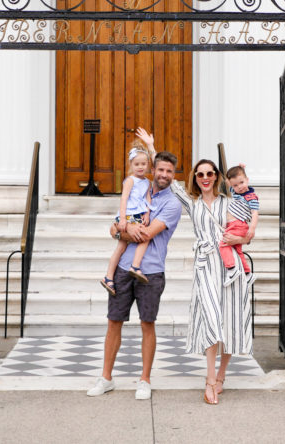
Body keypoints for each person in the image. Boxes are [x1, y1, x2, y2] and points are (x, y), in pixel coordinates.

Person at [136, 129, 252, 406]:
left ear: (217, 176)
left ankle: (221, 375)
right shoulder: (192, 201)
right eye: (200, 175)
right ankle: (210, 379)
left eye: (209, 174)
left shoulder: (230, 202)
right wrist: (152, 148)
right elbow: (168, 179)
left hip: (230, 265)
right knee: (211, 318)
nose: (205, 179)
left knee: (230, 319)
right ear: (195, 179)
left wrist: (240, 237)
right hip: (205, 266)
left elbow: (249, 229)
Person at [87, 146, 182, 400]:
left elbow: (147, 234)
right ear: (153, 170)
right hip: (122, 270)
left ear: (173, 175)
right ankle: (106, 377)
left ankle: (145, 379)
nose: (164, 174)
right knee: (113, 322)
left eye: (169, 171)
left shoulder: (172, 204)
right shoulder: (139, 189)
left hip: (150, 272)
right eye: (160, 169)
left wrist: (124, 229)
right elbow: (113, 228)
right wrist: (122, 227)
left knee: (147, 324)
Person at [100, 140, 152, 296]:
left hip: (139, 215)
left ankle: (113, 276)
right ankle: (128, 269)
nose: (141, 167)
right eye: (137, 164)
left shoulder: (147, 182)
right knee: (139, 239)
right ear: (131, 165)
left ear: (148, 164)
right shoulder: (130, 180)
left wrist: (147, 212)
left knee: (130, 243)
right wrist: (122, 219)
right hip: (128, 216)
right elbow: (124, 199)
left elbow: (148, 198)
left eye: (143, 164)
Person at [219, 165, 258, 286]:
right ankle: (247, 273)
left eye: (241, 182)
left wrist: (252, 228)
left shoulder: (251, 197)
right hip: (233, 225)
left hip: (239, 225)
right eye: (235, 185)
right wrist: (239, 167)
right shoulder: (235, 192)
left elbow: (255, 213)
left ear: (247, 180)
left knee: (223, 244)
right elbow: (227, 181)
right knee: (237, 251)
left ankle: (231, 269)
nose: (239, 187)